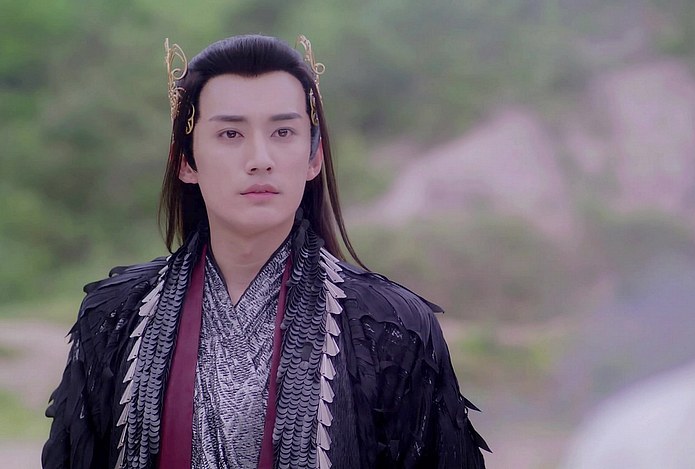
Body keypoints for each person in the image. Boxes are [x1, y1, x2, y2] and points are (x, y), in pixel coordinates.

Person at [42, 34, 488, 469]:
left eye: (283, 131)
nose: (260, 158)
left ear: (313, 158)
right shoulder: (115, 316)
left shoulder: (392, 327)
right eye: (231, 133)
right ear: (186, 161)